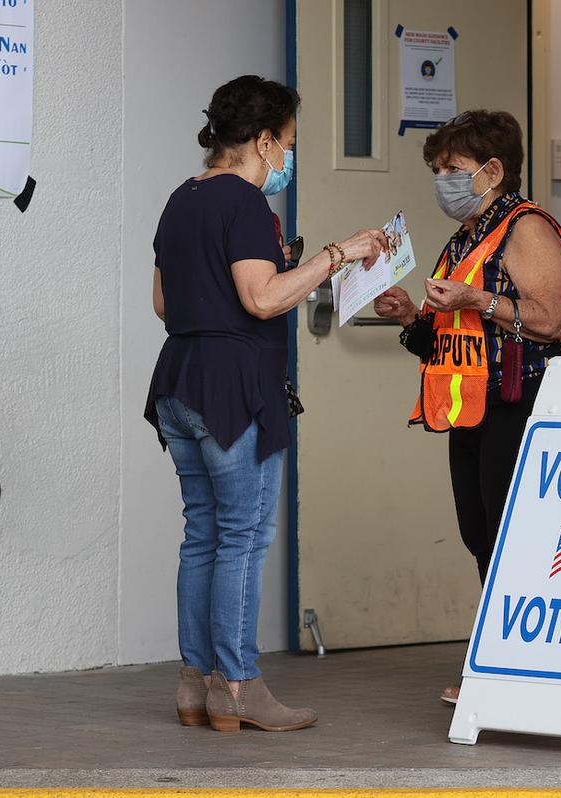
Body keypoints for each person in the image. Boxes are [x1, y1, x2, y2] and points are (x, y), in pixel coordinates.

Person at [145, 75, 386, 732]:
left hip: (179, 380)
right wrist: (341, 254)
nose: (286, 156)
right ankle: (240, 684)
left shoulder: (179, 200)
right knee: (244, 536)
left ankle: (196, 685)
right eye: (286, 143)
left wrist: (271, 270)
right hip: (233, 389)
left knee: (204, 533)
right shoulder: (244, 203)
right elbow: (261, 298)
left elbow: (165, 304)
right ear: (259, 140)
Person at [372, 109, 561, 704]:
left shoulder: (526, 228)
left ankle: (509, 666)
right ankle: (501, 659)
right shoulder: (466, 236)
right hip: (470, 409)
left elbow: (548, 320)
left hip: (523, 402)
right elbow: (446, 337)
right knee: (482, 533)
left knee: (517, 534)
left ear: (493, 170)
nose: (442, 179)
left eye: (453, 168)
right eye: (438, 169)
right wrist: (412, 317)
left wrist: (476, 297)